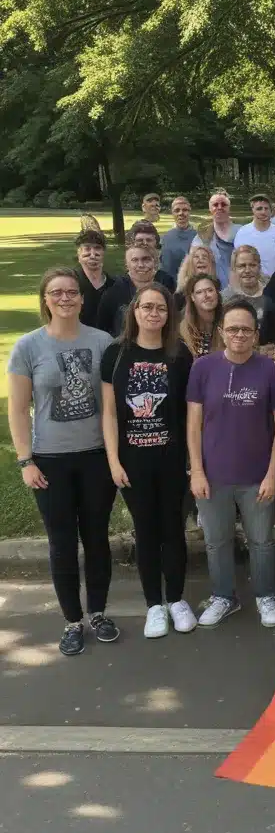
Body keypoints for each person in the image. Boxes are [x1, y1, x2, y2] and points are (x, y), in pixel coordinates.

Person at [7, 267, 118, 655]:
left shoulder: (103, 342)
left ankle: (99, 612)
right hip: (50, 461)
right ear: (46, 299)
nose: (66, 298)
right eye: (57, 292)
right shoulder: (28, 347)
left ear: (82, 299)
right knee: (62, 544)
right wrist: (26, 462)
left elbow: (111, 406)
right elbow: (19, 410)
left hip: (95, 458)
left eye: (72, 291)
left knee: (97, 539)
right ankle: (72, 620)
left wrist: (113, 457)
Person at [186, 299, 275, 629]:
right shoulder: (203, 368)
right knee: (217, 541)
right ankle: (223, 597)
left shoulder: (269, 370)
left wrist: (273, 474)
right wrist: (197, 470)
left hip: (257, 476)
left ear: (256, 334)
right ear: (222, 332)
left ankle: (264, 595)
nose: (239, 335)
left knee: (261, 541)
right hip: (213, 476)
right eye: (233, 329)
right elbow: (193, 424)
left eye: (246, 329)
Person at [100, 283, 195, 638]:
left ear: (169, 314)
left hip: (171, 459)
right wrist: (113, 460)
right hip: (132, 459)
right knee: (146, 530)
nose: (153, 313)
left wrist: (191, 458)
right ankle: (153, 604)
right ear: (134, 311)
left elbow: (190, 414)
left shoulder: (179, 355)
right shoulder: (116, 355)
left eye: (161, 308)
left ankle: (176, 599)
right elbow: (109, 414)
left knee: (173, 528)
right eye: (147, 307)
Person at [96, 245, 162, 337]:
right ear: (127, 265)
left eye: (146, 259)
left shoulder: (165, 286)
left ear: (154, 262)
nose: (141, 265)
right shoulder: (113, 292)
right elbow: (102, 328)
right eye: (135, 260)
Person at [222, 245, 275, 346]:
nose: (247, 270)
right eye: (242, 266)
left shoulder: (273, 291)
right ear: (234, 269)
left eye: (252, 265)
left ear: (259, 267)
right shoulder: (226, 298)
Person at [235, 194, 275, 276]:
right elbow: (237, 262)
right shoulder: (242, 233)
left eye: (266, 208)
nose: (263, 212)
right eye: (259, 209)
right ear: (253, 210)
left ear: (271, 211)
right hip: (250, 282)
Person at [197, 191, 241, 286]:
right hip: (213, 287)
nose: (219, 207)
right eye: (215, 205)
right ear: (210, 209)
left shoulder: (241, 232)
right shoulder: (202, 236)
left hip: (240, 286)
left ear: (229, 208)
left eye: (224, 204)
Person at [75, 227, 114, 329]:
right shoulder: (71, 283)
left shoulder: (114, 285)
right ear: (78, 253)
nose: (93, 254)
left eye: (97, 248)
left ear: (103, 252)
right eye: (87, 248)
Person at [179, 273, 223, 359]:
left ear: (217, 293)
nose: (206, 295)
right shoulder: (182, 331)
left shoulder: (229, 324)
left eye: (210, 290)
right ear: (192, 297)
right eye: (199, 292)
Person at [161, 196, 197, 280]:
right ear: (172, 213)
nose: (181, 213)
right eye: (177, 210)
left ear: (189, 212)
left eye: (185, 210)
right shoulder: (165, 238)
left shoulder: (198, 237)